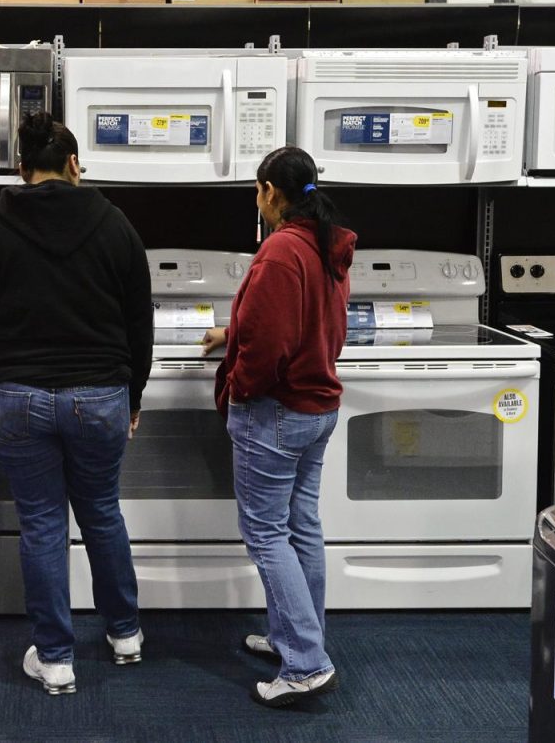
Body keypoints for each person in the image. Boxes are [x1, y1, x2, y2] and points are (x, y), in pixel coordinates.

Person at [0, 111, 154, 696]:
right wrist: (132, 394)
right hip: (99, 395)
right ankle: (126, 634)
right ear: (75, 164)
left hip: (13, 398)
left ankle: (56, 659)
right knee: (102, 511)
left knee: (42, 522)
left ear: (21, 168)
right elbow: (141, 322)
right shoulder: (116, 226)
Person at [201, 145, 355, 708]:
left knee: (267, 535)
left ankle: (307, 664)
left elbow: (269, 344)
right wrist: (230, 334)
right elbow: (303, 320)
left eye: (258, 192)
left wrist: (239, 386)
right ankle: (296, 638)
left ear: (270, 191)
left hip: (277, 411)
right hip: (318, 407)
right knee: (301, 528)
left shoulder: (278, 252)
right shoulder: (327, 244)